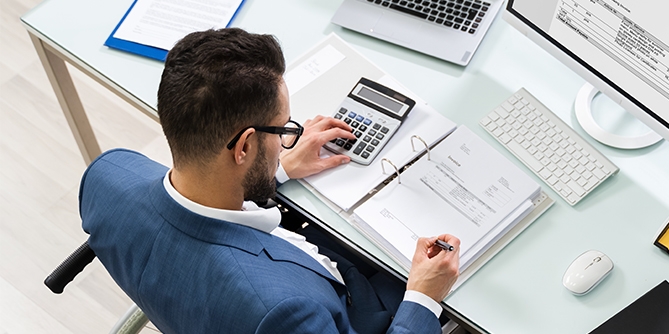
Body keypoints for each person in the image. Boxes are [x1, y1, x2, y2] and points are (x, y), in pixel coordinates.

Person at [80, 28, 460, 334]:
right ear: (244, 146)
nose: (286, 141)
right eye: (282, 130)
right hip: (354, 308)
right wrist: (424, 300)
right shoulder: (285, 314)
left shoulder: (108, 175)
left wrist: (275, 169)